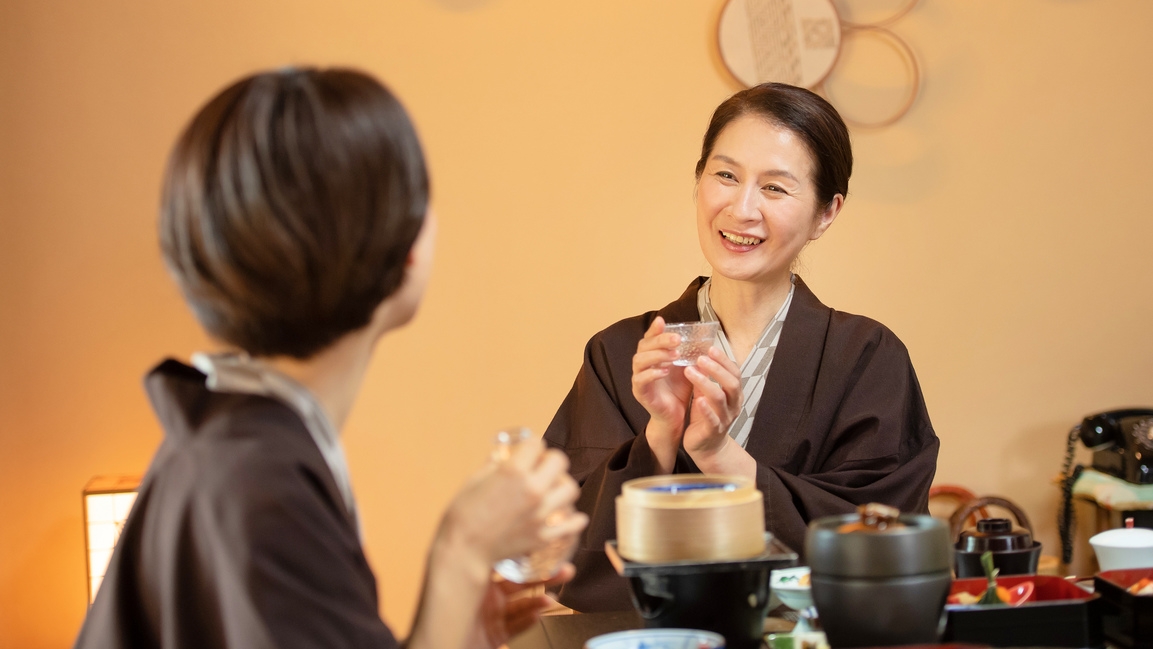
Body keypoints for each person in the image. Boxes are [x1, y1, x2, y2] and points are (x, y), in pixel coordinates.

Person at [73, 67, 587, 649]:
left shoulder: (228, 443)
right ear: (400, 249)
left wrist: (455, 629)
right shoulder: (261, 489)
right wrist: (462, 547)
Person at [543, 83, 940, 612]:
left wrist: (717, 455)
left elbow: (880, 549)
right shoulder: (619, 353)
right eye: (725, 175)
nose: (742, 208)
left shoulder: (868, 358)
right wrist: (660, 436)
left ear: (827, 212)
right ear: (699, 180)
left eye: (775, 188)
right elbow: (565, 553)